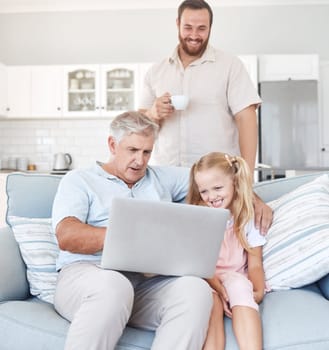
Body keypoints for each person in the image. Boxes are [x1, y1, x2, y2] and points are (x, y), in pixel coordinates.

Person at [52, 111, 213, 350]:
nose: (140, 161)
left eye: (147, 152)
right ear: (112, 144)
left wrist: (252, 198)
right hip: (87, 277)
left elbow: (217, 179)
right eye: (132, 150)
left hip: (146, 284)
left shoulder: (161, 178)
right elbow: (67, 236)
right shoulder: (79, 180)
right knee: (115, 286)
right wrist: (129, 236)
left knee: (196, 290)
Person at [139, 0, 272, 234]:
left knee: (218, 251)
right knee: (171, 250)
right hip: (168, 184)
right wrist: (153, 113)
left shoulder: (230, 65)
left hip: (216, 186)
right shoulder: (156, 72)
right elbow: (139, 128)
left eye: (202, 28)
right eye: (188, 27)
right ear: (178, 24)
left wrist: (246, 183)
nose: (194, 35)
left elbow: (247, 119)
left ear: (211, 27)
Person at [186, 152, 266, 350]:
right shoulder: (197, 216)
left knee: (240, 287)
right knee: (208, 300)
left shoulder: (247, 218)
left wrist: (259, 290)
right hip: (205, 277)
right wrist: (219, 290)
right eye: (204, 191)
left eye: (218, 188)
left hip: (233, 276)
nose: (211, 197)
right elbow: (196, 263)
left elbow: (255, 263)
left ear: (235, 183)